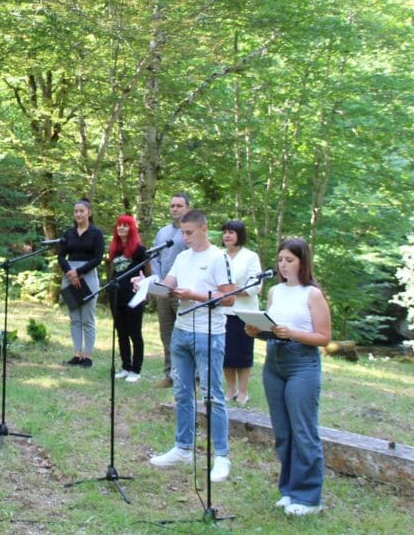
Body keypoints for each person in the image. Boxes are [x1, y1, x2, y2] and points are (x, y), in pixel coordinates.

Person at [139, 209, 236, 482]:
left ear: (204, 229)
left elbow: (229, 297)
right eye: (182, 232)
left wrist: (195, 294)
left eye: (189, 232)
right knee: (182, 392)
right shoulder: (182, 257)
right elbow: (167, 286)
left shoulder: (218, 258)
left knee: (212, 394)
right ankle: (182, 448)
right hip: (181, 330)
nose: (185, 237)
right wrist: (146, 285)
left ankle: (221, 456)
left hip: (208, 332)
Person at [245, 237, 331, 516]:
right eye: (280, 259)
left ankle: (309, 498)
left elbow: (323, 337)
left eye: (289, 260)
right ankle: (290, 490)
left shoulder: (312, 294)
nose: (283, 265)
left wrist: (292, 333)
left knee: (303, 430)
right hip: (274, 362)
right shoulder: (275, 292)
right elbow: (273, 329)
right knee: (282, 431)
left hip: (301, 364)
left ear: (302, 262)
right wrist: (256, 331)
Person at [57, 198, 105, 368]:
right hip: (69, 275)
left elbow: (98, 258)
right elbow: (61, 256)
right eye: (76, 211)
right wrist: (70, 272)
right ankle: (77, 354)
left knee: (87, 318)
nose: (78, 214)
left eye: (81, 211)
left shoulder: (96, 233)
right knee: (75, 319)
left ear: (89, 213)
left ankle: (88, 356)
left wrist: (78, 272)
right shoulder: (68, 233)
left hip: (88, 275)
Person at [221, 219, 263, 405]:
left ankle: (243, 391)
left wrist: (233, 290)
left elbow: (255, 285)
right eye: (225, 232)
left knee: (243, 354)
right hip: (223, 310)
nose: (227, 236)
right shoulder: (219, 255)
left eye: (231, 232)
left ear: (240, 235)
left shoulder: (250, 256)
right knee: (225, 353)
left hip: (244, 312)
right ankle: (231, 389)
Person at [107, 215, 151, 382]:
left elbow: (147, 271)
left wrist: (145, 291)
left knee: (134, 333)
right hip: (116, 295)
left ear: (131, 228)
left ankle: (136, 370)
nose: (121, 228)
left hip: (133, 296)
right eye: (119, 225)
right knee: (121, 332)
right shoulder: (115, 248)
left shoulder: (139, 249)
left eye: (125, 225)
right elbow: (112, 270)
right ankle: (125, 367)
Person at [152, 193, 190, 387]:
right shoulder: (163, 233)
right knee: (166, 334)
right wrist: (159, 282)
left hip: (183, 292)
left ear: (188, 208)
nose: (175, 209)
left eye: (179, 206)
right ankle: (170, 375)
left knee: (186, 334)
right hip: (163, 291)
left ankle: (192, 377)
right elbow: (155, 258)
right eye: (172, 206)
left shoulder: (190, 233)